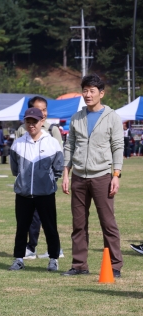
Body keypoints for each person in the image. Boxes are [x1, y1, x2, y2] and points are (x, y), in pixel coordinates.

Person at [61, 74, 124, 277]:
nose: (87, 95)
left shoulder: (112, 116)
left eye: (92, 91)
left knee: (108, 223)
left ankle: (114, 266)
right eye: (85, 90)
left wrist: (116, 174)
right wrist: (65, 173)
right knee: (78, 224)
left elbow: (117, 146)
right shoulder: (76, 117)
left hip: (102, 175)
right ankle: (79, 265)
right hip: (78, 176)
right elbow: (69, 145)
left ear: (101, 93)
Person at [7, 107, 63, 273]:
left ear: (42, 122)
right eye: (28, 121)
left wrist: (49, 182)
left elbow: (58, 168)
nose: (31, 125)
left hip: (45, 193)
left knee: (50, 227)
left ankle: (54, 259)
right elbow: (15, 169)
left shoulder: (52, 143)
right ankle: (18, 258)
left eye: (34, 121)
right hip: (23, 194)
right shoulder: (18, 143)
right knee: (21, 228)